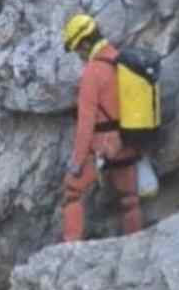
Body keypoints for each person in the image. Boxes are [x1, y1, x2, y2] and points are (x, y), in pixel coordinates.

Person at [60, 14, 143, 241]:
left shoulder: (92, 72)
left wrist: (77, 162)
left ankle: (70, 248)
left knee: (72, 193)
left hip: (102, 146)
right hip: (128, 140)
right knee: (130, 199)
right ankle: (135, 243)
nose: (79, 55)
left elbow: (85, 124)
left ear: (85, 43)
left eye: (78, 49)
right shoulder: (121, 60)